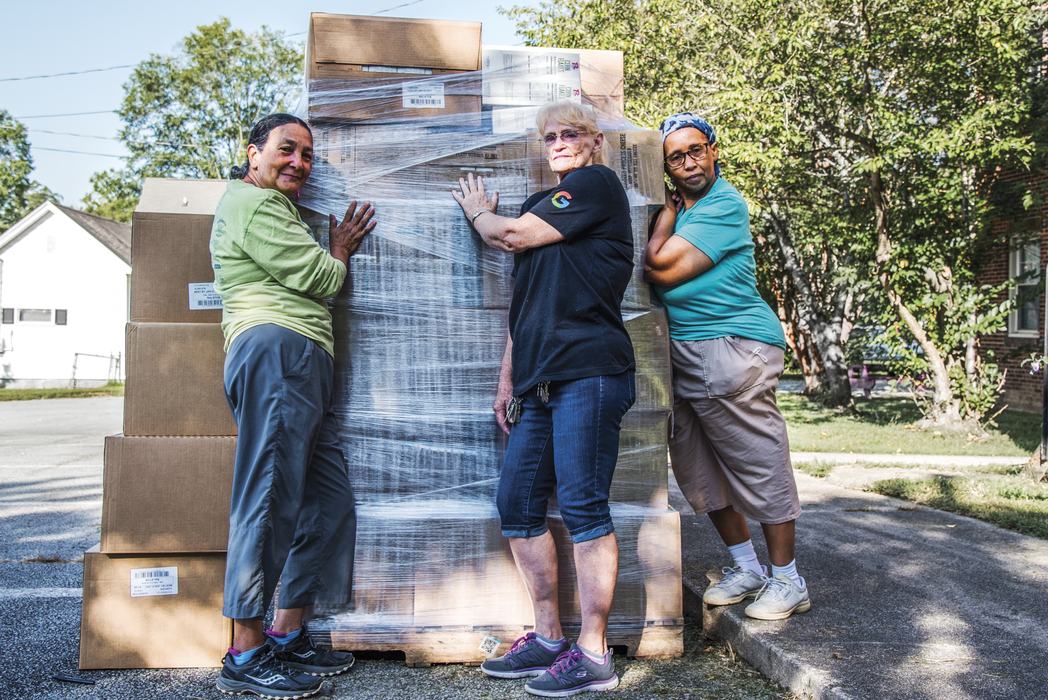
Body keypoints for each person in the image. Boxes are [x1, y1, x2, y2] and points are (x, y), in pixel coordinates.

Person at [452, 101, 635, 697]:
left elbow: (509, 235)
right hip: (538, 383)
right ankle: (550, 636)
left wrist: (480, 213)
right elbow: (522, 307)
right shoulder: (544, 203)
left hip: (589, 371)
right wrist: (508, 380)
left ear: (595, 141)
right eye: (550, 136)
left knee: (583, 506)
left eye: (570, 133)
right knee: (518, 502)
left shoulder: (595, 185)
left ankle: (594, 653)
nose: (558, 142)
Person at [210, 113, 376, 698]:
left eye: (307, 155)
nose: (298, 163)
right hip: (276, 351)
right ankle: (246, 649)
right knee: (270, 496)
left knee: (327, 502)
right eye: (287, 150)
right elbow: (320, 278)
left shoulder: (278, 209)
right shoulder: (250, 204)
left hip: (306, 363)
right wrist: (337, 251)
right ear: (252, 153)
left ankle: (286, 631)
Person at [644, 112, 811, 621]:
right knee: (698, 467)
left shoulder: (723, 205)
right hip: (685, 352)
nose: (689, 162)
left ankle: (788, 579)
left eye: (696, 150)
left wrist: (665, 221)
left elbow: (662, 269)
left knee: (756, 462)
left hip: (732, 346)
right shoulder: (684, 208)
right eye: (676, 156)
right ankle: (747, 569)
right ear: (667, 167)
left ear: (714, 150)